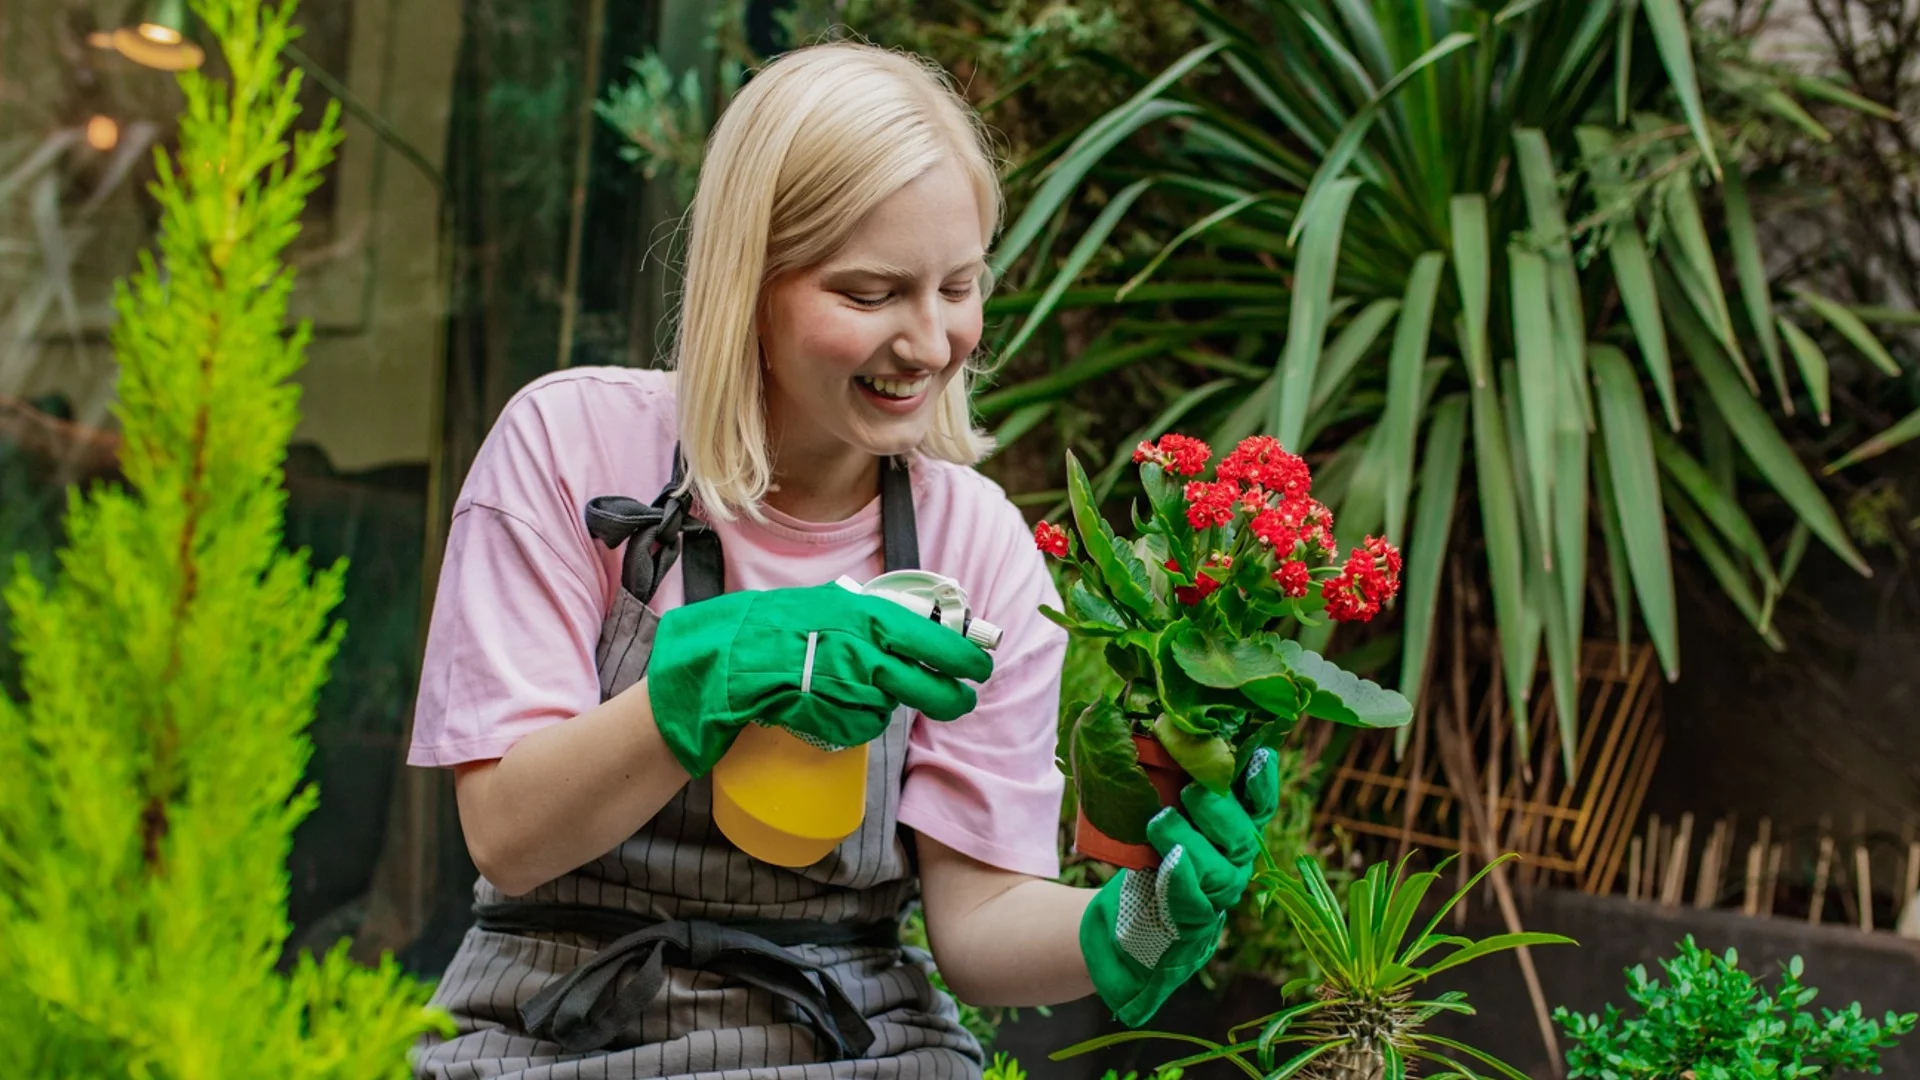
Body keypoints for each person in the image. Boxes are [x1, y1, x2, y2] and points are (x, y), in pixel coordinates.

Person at [404, 41, 1277, 1080]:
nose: (929, 341)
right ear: (750, 280)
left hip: (850, 1038)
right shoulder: (568, 449)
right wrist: (704, 676)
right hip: (553, 1022)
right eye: (870, 293)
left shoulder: (976, 541)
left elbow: (978, 920)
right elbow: (507, 833)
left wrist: (1135, 920)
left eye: (959, 286)